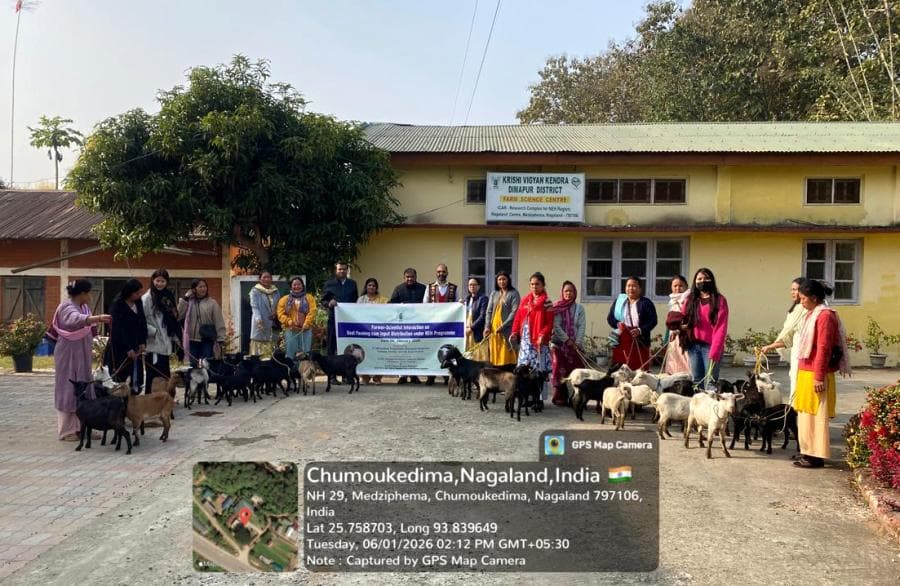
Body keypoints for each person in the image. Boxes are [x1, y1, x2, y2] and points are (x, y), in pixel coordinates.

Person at [792, 279, 851, 469]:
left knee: (816, 416)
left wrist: (819, 376)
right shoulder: (812, 313)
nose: (801, 302)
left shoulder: (825, 316)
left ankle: (815, 455)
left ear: (814, 298)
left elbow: (824, 348)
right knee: (805, 414)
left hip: (816, 373)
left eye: (803, 298)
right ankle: (807, 450)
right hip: (806, 370)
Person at [52, 279, 111, 441]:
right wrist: (97, 318)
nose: (90, 296)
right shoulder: (66, 307)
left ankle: (84, 426)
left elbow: (87, 326)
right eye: (89, 292)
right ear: (82, 293)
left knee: (84, 387)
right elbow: (74, 319)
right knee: (68, 388)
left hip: (82, 355)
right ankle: (67, 431)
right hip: (68, 354)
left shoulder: (84, 307)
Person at [760, 277, 810, 404]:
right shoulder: (796, 309)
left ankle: (799, 415)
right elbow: (788, 337)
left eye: (796, 290)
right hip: (797, 351)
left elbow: (788, 337)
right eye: (791, 290)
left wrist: (770, 346)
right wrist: (770, 346)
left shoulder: (804, 309)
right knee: (795, 382)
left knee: (799, 384)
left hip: (803, 352)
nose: (793, 293)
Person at [681, 268, 728, 389]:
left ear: (712, 281)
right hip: (693, 346)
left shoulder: (719, 300)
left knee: (711, 382)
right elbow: (682, 318)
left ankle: (712, 407)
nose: (703, 281)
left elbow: (720, 328)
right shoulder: (690, 300)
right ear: (695, 282)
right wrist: (679, 328)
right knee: (697, 381)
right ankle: (699, 407)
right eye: (699, 279)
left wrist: (715, 350)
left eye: (707, 278)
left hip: (711, 347)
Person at [510, 272, 553, 404]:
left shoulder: (547, 302)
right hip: (526, 340)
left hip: (539, 341)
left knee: (538, 370)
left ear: (543, 285)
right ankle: (525, 397)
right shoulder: (525, 300)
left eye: (537, 284)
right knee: (524, 369)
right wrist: (515, 332)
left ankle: (538, 398)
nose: (534, 287)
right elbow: (518, 318)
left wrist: (542, 335)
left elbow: (549, 323)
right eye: (532, 284)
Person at [103, 278, 147, 393]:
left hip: (136, 344)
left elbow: (142, 322)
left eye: (140, 293)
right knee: (121, 376)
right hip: (120, 347)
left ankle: (133, 397)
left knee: (135, 376)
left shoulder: (138, 302)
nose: (139, 295)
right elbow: (117, 329)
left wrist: (142, 341)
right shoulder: (118, 305)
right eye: (136, 293)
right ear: (129, 292)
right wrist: (127, 348)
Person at [606, 276, 658, 372]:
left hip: (640, 339)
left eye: (634, 286)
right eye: (628, 286)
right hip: (622, 340)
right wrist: (618, 324)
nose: (631, 288)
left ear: (640, 288)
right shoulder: (619, 301)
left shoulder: (646, 303)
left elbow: (653, 320)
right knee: (620, 368)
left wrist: (640, 330)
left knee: (639, 370)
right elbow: (610, 318)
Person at [141, 268, 181, 393]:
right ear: (153, 280)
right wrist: (153, 331)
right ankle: (150, 398)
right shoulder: (147, 298)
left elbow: (173, 319)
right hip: (153, 343)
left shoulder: (167, 297)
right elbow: (141, 320)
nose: (159, 284)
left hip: (165, 342)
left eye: (163, 281)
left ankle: (163, 398)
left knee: (164, 373)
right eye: (157, 281)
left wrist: (175, 337)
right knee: (153, 375)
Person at [549, 281, 586, 406]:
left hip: (576, 344)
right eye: (566, 291)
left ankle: (576, 398)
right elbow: (556, 326)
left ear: (575, 293)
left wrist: (577, 343)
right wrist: (567, 340)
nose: (568, 293)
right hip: (559, 344)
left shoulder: (580, 309)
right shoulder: (557, 307)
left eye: (571, 291)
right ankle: (560, 397)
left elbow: (581, 327)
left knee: (577, 371)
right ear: (562, 293)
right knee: (559, 368)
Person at [321, 262, 359, 385]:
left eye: (344, 269)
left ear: (347, 270)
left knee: (346, 347)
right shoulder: (329, 284)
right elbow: (323, 301)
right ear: (335, 270)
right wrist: (328, 304)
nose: (342, 271)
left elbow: (355, 301)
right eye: (339, 269)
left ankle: (346, 375)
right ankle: (331, 377)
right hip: (333, 319)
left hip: (348, 321)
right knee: (332, 348)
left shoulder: (352, 284)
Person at [389, 268, 427, 384]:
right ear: (404, 277)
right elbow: (391, 305)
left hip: (418, 325)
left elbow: (428, 305)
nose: (410, 279)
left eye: (412, 277)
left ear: (416, 277)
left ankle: (414, 375)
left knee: (416, 350)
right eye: (407, 277)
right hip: (403, 327)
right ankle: (403, 375)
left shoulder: (423, 288)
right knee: (402, 350)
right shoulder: (398, 289)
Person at [178, 278, 227, 366]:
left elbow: (219, 321)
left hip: (207, 340)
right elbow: (178, 315)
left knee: (207, 365)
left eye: (204, 286)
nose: (203, 289)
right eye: (200, 287)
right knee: (192, 366)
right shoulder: (188, 303)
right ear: (194, 289)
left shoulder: (212, 303)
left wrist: (221, 339)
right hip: (192, 340)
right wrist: (185, 298)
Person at [423, 263, 457, 385]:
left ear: (447, 273)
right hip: (433, 325)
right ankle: (431, 375)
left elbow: (457, 306)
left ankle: (447, 376)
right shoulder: (429, 287)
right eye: (439, 272)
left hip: (448, 325)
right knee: (431, 349)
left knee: (447, 350)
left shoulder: (453, 288)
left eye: (443, 271)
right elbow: (424, 305)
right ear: (436, 273)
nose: (441, 274)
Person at [483, 271, 520, 367]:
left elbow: (514, 312)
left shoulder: (514, 293)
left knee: (507, 359)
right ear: (496, 281)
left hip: (506, 330)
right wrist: (487, 327)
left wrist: (503, 326)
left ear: (508, 280)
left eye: (504, 279)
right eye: (499, 279)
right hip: (494, 331)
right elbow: (489, 311)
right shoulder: (494, 293)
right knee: (495, 358)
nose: (502, 281)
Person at [277, 276, 317, 359]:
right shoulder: (284, 299)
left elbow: (312, 311)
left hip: (305, 330)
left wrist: (307, 323)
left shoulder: (309, 298)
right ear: (291, 286)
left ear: (302, 286)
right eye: (294, 285)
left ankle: (304, 371)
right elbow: (280, 314)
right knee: (291, 354)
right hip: (291, 330)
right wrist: (289, 321)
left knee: (305, 354)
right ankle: (291, 371)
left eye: (299, 284)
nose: (297, 286)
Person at [357, 277, 388, 384]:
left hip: (379, 332)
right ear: (366, 287)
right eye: (369, 285)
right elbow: (355, 314)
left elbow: (387, 314)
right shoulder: (360, 300)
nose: (371, 287)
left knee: (379, 354)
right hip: (364, 332)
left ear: (376, 287)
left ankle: (377, 377)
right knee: (365, 353)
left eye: (373, 285)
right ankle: (365, 377)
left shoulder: (384, 300)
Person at [663, 275, 691, 375]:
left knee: (686, 360)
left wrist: (679, 328)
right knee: (673, 360)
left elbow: (690, 318)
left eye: (681, 286)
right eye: (675, 286)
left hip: (685, 336)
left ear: (686, 286)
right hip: (673, 336)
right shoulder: (672, 301)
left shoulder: (689, 300)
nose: (677, 288)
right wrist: (665, 338)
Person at [249, 271, 280, 358]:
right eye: (264, 277)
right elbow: (254, 307)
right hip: (260, 323)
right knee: (259, 352)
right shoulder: (254, 291)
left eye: (269, 277)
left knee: (272, 348)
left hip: (273, 323)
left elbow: (279, 305)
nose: (267, 279)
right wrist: (259, 319)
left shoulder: (276, 291)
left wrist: (276, 313)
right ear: (260, 279)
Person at [463, 277, 488, 350]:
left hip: (477, 331)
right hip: (467, 332)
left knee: (478, 357)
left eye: (474, 285)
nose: (472, 286)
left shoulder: (483, 299)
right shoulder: (467, 299)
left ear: (479, 286)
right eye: (470, 285)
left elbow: (482, 316)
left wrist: (471, 328)